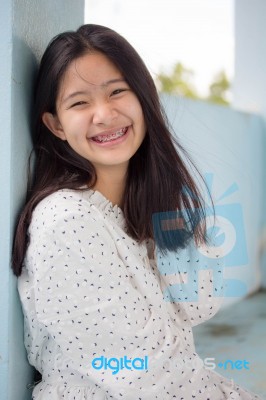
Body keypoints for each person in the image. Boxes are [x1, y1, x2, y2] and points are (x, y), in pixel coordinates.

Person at [12, 24, 262, 400]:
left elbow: (199, 303)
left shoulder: (139, 207)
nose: (104, 113)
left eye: (117, 91)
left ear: (144, 99)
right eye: (79, 102)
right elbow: (144, 377)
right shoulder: (68, 221)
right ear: (56, 125)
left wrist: (166, 193)